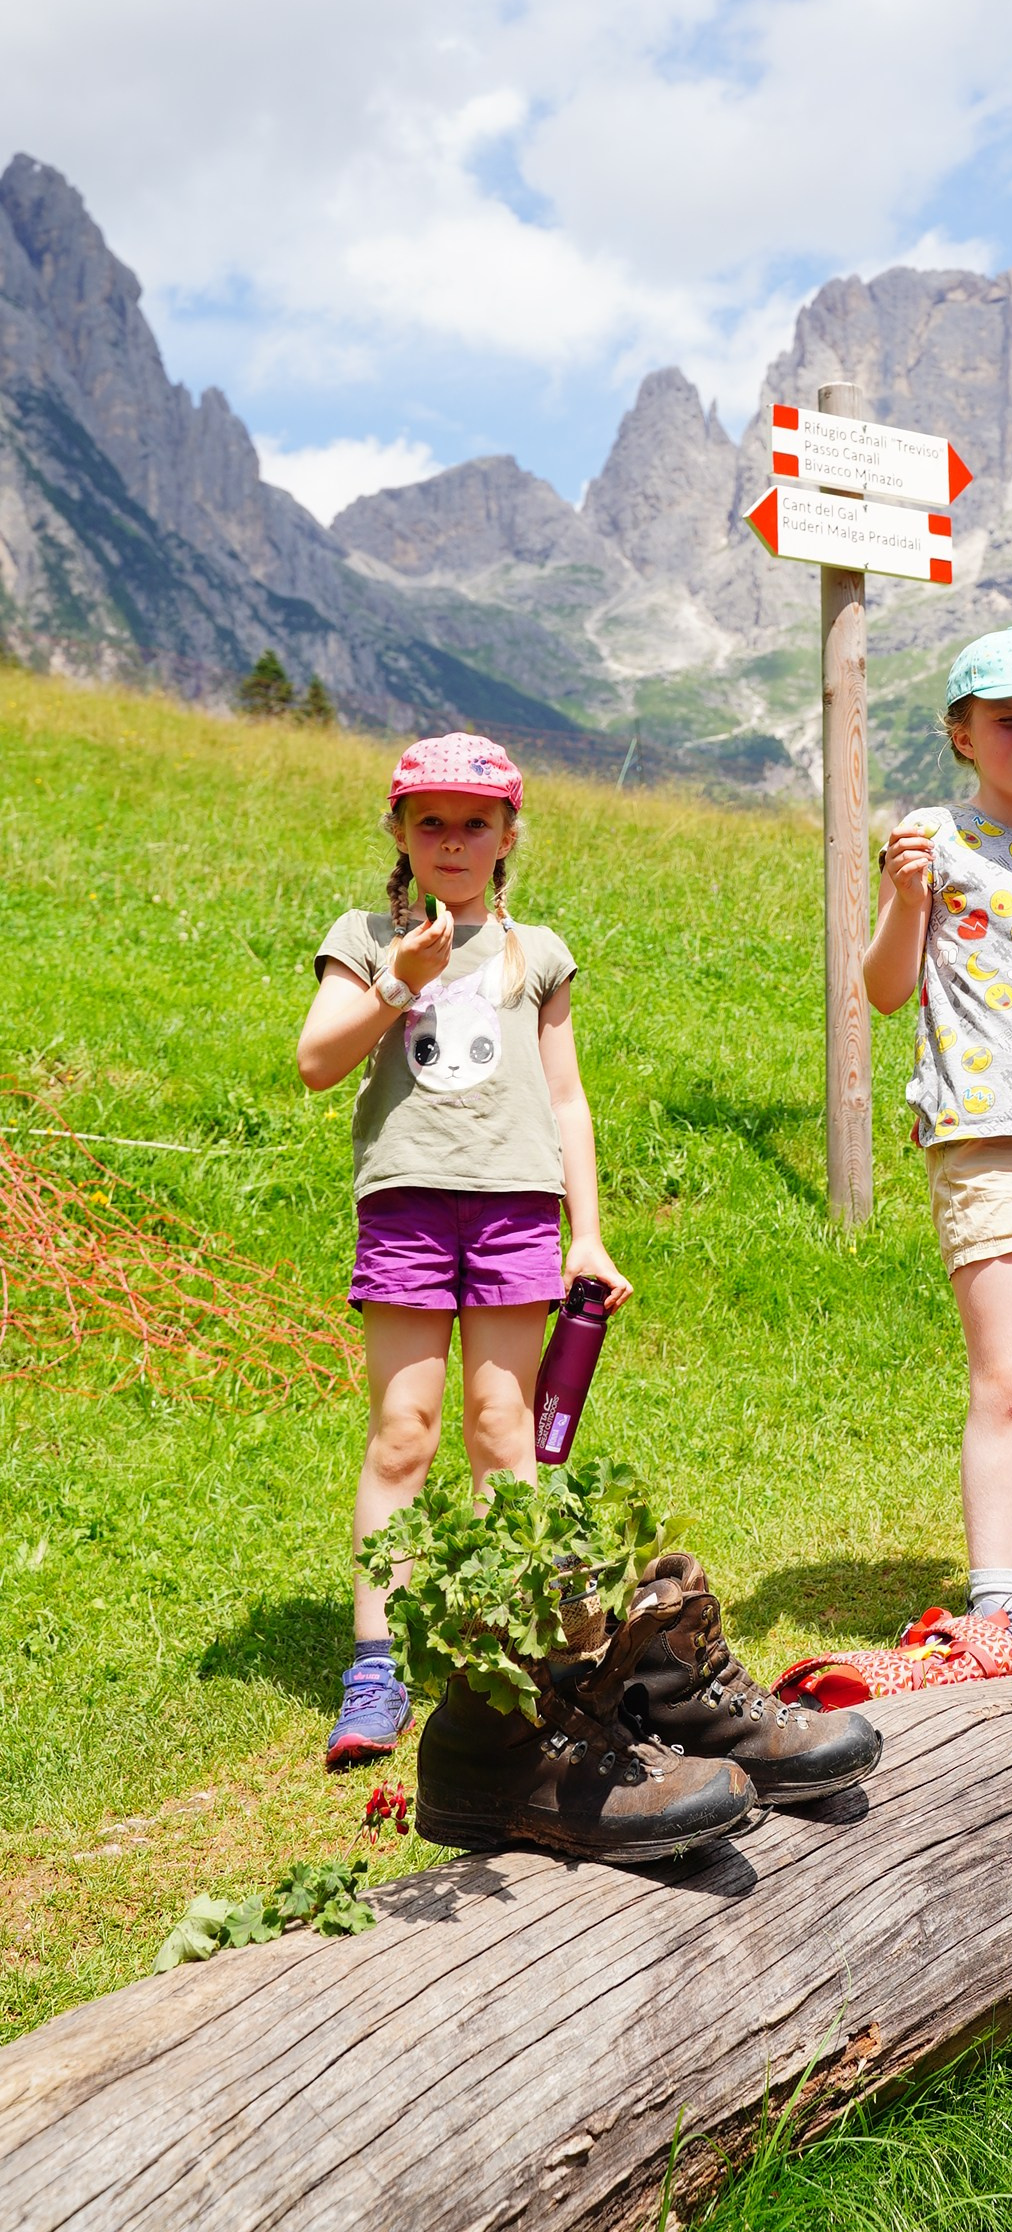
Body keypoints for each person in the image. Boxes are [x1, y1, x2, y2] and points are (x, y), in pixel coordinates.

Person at [298, 733, 631, 1770]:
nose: (452, 840)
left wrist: (591, 1229)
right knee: (404, 1430)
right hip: (405, 1204)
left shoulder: (538, 950)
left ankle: (507, 1652)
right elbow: (317, 1061)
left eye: (474, 822)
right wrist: (399, 979)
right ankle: (376, 1661)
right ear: (396, 830)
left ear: (507, 834)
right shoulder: (364, 935)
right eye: (430, 821)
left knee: (503, 1427)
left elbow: (566, 1095)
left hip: (515, 1209)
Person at [865, 626, 1012, 1645]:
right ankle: (995, 1599)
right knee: (1003, 1374)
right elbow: (883, 990)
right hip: (983, 1121)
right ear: (961, 733)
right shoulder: (935, 834)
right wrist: (903, 893)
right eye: (1008, 719)